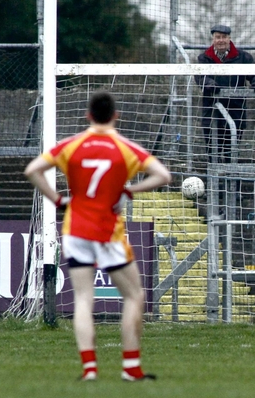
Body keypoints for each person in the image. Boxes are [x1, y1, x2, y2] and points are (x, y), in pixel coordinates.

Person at [24, 91, 172, 381]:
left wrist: (57, 200)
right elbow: (164, 176)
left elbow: (33, 170)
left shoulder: (71, 145)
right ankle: (131, 368)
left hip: (76, 229)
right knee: (134, 296)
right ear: (115, 116)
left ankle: (89, 369)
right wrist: (130, 190)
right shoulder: (125, 147)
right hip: (108, 232)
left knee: (82, 299)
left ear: (88, 115)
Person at [195, 24, 255, 164]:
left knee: (232, 152)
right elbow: (200, 77)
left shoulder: (243, 57)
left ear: (229, 38)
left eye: (224, 37)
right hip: (212, 111)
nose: (221, 40)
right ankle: (214, 184)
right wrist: (209, 84)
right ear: (213, 39)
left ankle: (233, 184)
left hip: (235, 110)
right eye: (217, 37)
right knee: (213, 153)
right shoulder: (204, 58)